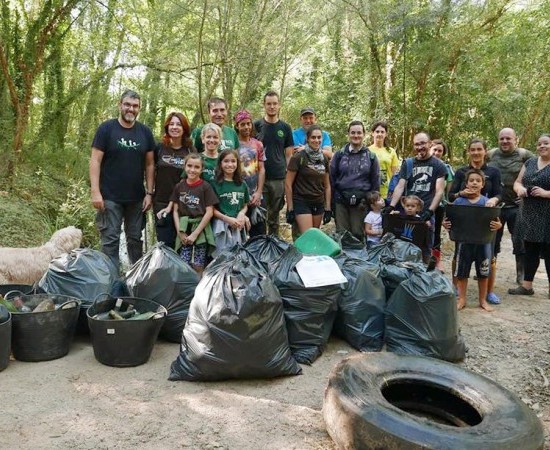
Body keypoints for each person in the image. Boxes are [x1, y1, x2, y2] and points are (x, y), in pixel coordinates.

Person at [90, 89, 155, 270]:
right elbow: (95, 160)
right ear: (120, 105)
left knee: (135, 240)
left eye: (135, 106)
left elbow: (150, 165)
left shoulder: (145, 133)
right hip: (109, 197)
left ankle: (136, 280)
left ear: (139, 108)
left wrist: (149, 193)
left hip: (136, 198)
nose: (131, 109)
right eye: (127, 104)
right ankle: (109, 281)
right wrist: (95, 192)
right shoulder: (106, 129)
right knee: (110, 239)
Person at [449, 138, 502, 304]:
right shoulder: (461, 172)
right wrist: (461, 194)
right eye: (473, 149)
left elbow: (500, 194)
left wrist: (493, 200)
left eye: (479, 149)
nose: (476, 152)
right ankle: (456, 290)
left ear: (485, 151)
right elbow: (450, 196)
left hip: (485, 224)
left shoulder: (493, 172)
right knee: (459, 256)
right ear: (469, 151)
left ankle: (489, 293)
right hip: (465, 225)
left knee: (489, 258)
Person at [384, 132, 447, 262]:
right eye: (417, 144)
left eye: (423, 143)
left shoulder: (438, 165)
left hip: (426, 215)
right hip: (408, 213)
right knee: (404, 248)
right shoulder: (408, 163)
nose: (420, 147)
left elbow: (439, 191)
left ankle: (424, 277)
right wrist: (391, 206)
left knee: (425, 249)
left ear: (430, 144)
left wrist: (430, 211)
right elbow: (400, 186)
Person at [487, 128, 534, 285]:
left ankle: (520, 273)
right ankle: (487, 269)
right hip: (496, 205)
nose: (505, 141)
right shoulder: (491, 154)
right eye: (502, 139)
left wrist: (527, 194)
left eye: (508, 138)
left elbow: (537, 172)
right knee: (492, 238)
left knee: (519, 240)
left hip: (516, 205)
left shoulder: (524, 155)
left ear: (515, 139)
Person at [508, 134, 550, 298]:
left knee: (549, 251)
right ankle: (527, 286)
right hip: (529, 213)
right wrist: (519, 189)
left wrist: (546, 193)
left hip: (547, 214)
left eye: (546, 143)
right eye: (539, 144)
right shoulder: (530, 162)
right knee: (530, 249)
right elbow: (517, 181)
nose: (542, 146)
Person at [330, 120, 380, 242]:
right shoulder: (339, 155)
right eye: (353, 133)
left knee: (359, 235)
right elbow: (332, 178)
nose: (356, 136)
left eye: (359, 133)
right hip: (341, 200)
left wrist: (373, 203)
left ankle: (358, 260)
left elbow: (375, 181)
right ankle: (343, 261)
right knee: (342, 235)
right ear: (348, 134)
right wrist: (330, 203)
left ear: (364, 134)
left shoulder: (371, 157)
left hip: (361, 203)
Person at [254, 90, 294, 236]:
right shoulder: (256, 126)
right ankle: (259, 243)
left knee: (274, 215)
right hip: (259, 177)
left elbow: (289, 156)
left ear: (279, 105)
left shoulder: (285, 128)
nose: (272, 107)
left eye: (274, 104)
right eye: (269, 104)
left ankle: (274, 243)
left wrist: (289, 178)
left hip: (278, 177)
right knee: (260, 214)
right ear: (264, 105)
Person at [171, 154, 217, 275]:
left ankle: (199, 291)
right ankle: (185, 291)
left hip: (200, 229)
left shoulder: (205, 187)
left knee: (198, 264)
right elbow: (175, 211)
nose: (192, 170)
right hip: (184, 227)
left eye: (197, 167)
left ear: (201, 169)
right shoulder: (179, 186)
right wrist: (180, 232)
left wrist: (195, 234)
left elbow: (209, 212)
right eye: (189, 166)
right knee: (183, 263)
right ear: (184, 167)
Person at [153, 112, 194, 249]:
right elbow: (150, 171)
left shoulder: (190, 150)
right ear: (167, 127)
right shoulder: (159, 148)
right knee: (165, 246)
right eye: (171, 124)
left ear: (184, 128)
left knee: (184, 245)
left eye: (178, 124)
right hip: (161, 202)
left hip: (185, 204)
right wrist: (148, 194)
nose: (175, 127)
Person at [285, 125, 331, 235]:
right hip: (301, 201)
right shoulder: (298, 157)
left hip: (318, 201)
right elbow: (288, 183)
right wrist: (290, 208)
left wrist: (328, 208)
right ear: (308, 139)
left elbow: (327, 185)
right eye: (313, 137)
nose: (316, 140)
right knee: (308, 236)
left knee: (315, 236)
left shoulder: (324, 158)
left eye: (319, 137)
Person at [211, 149, 250, 255]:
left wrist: (241, 214)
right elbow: (211, 209)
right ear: (220, 163)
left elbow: (245, 205)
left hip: (238, 225)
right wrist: (227, 219)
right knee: (221, 258)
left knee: (237, 257)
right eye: (226, 161)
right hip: (221, 226)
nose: (230, 164)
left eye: (233, 161)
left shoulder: (242, 184)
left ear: (237, 163)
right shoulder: (215, 184)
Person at [234, 109, 266, 237]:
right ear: (237, 126)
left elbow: (262, 169)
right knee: (239, 229)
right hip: (239, 193)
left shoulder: (257, 144)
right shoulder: (234, 144)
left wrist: (259, 192)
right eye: (242, 124)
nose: (246, 127)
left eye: (248, 123)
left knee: (258, 231)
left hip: (255, 194)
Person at [430, 139, 454, 271]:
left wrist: (447, 210)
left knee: (436, 233)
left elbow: (449, 191)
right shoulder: (422, 164)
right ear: (429, 149)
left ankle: (437, 261)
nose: (437, 153)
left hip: (439, 205)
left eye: (440, 151)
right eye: (435, 149)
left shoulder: (447, 168)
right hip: (422, 204)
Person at [368, 121, 400, 199]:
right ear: (372, 133)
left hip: (387, 192)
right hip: (372, 192)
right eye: (377, 131)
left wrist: (394, 189)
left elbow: (395, 174)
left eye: (382, 132)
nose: (380, 134)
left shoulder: (391, 151)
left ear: (386, 134)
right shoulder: (367, 151)